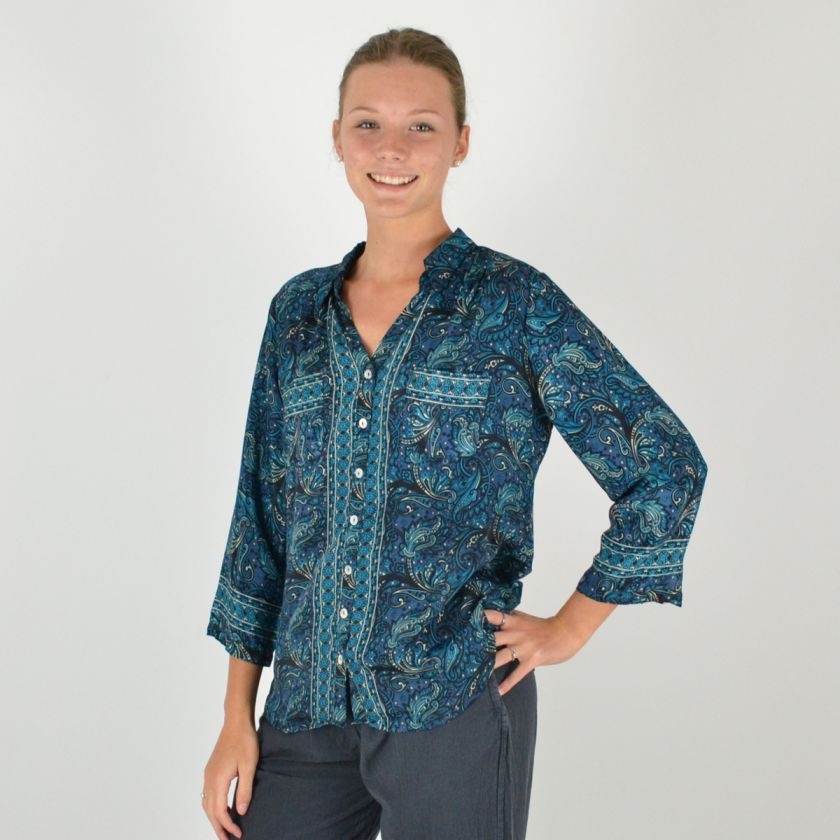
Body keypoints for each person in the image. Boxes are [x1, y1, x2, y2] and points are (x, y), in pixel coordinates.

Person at [201, 27, 708, 840]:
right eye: (368, 123)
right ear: (337, 138)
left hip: (454, 699)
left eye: (421, 126)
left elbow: (667, 464)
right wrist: (236, 715)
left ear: (460, 143)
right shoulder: (297, 314)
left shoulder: (513, 303)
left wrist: (572, 625)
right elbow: (259, 522)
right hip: (304, 706)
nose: (391, 148)